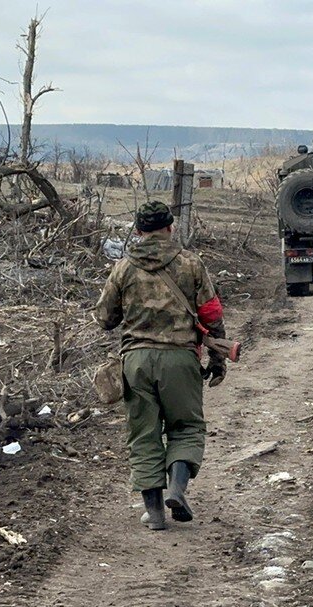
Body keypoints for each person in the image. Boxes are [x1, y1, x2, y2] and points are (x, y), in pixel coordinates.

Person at [95, 201, 226, 531]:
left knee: (144, 435)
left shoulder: (123, 267)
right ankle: (178, 489)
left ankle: (154, 513)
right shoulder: (191, 263)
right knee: (186, 427)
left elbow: (104, 318)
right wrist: (218, 358)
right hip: (181, 359)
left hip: (136, 362)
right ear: (171, 227)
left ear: (138, 231)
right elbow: (211, 314)